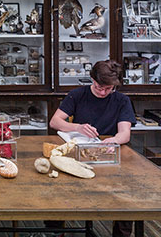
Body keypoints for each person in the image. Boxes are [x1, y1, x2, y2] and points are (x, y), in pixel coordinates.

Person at [49, 59, 137, 237]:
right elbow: (55, 122)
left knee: (126, 192)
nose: (103, 92)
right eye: (99, 87)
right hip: (80, 152)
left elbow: (125, 133)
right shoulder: (77, 94)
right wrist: (77, 127)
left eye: (108, 89)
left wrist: (113, 141)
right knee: (57, 187)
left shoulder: (122, 100)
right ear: (92, 80)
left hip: (110, 155)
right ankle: (54, 231)